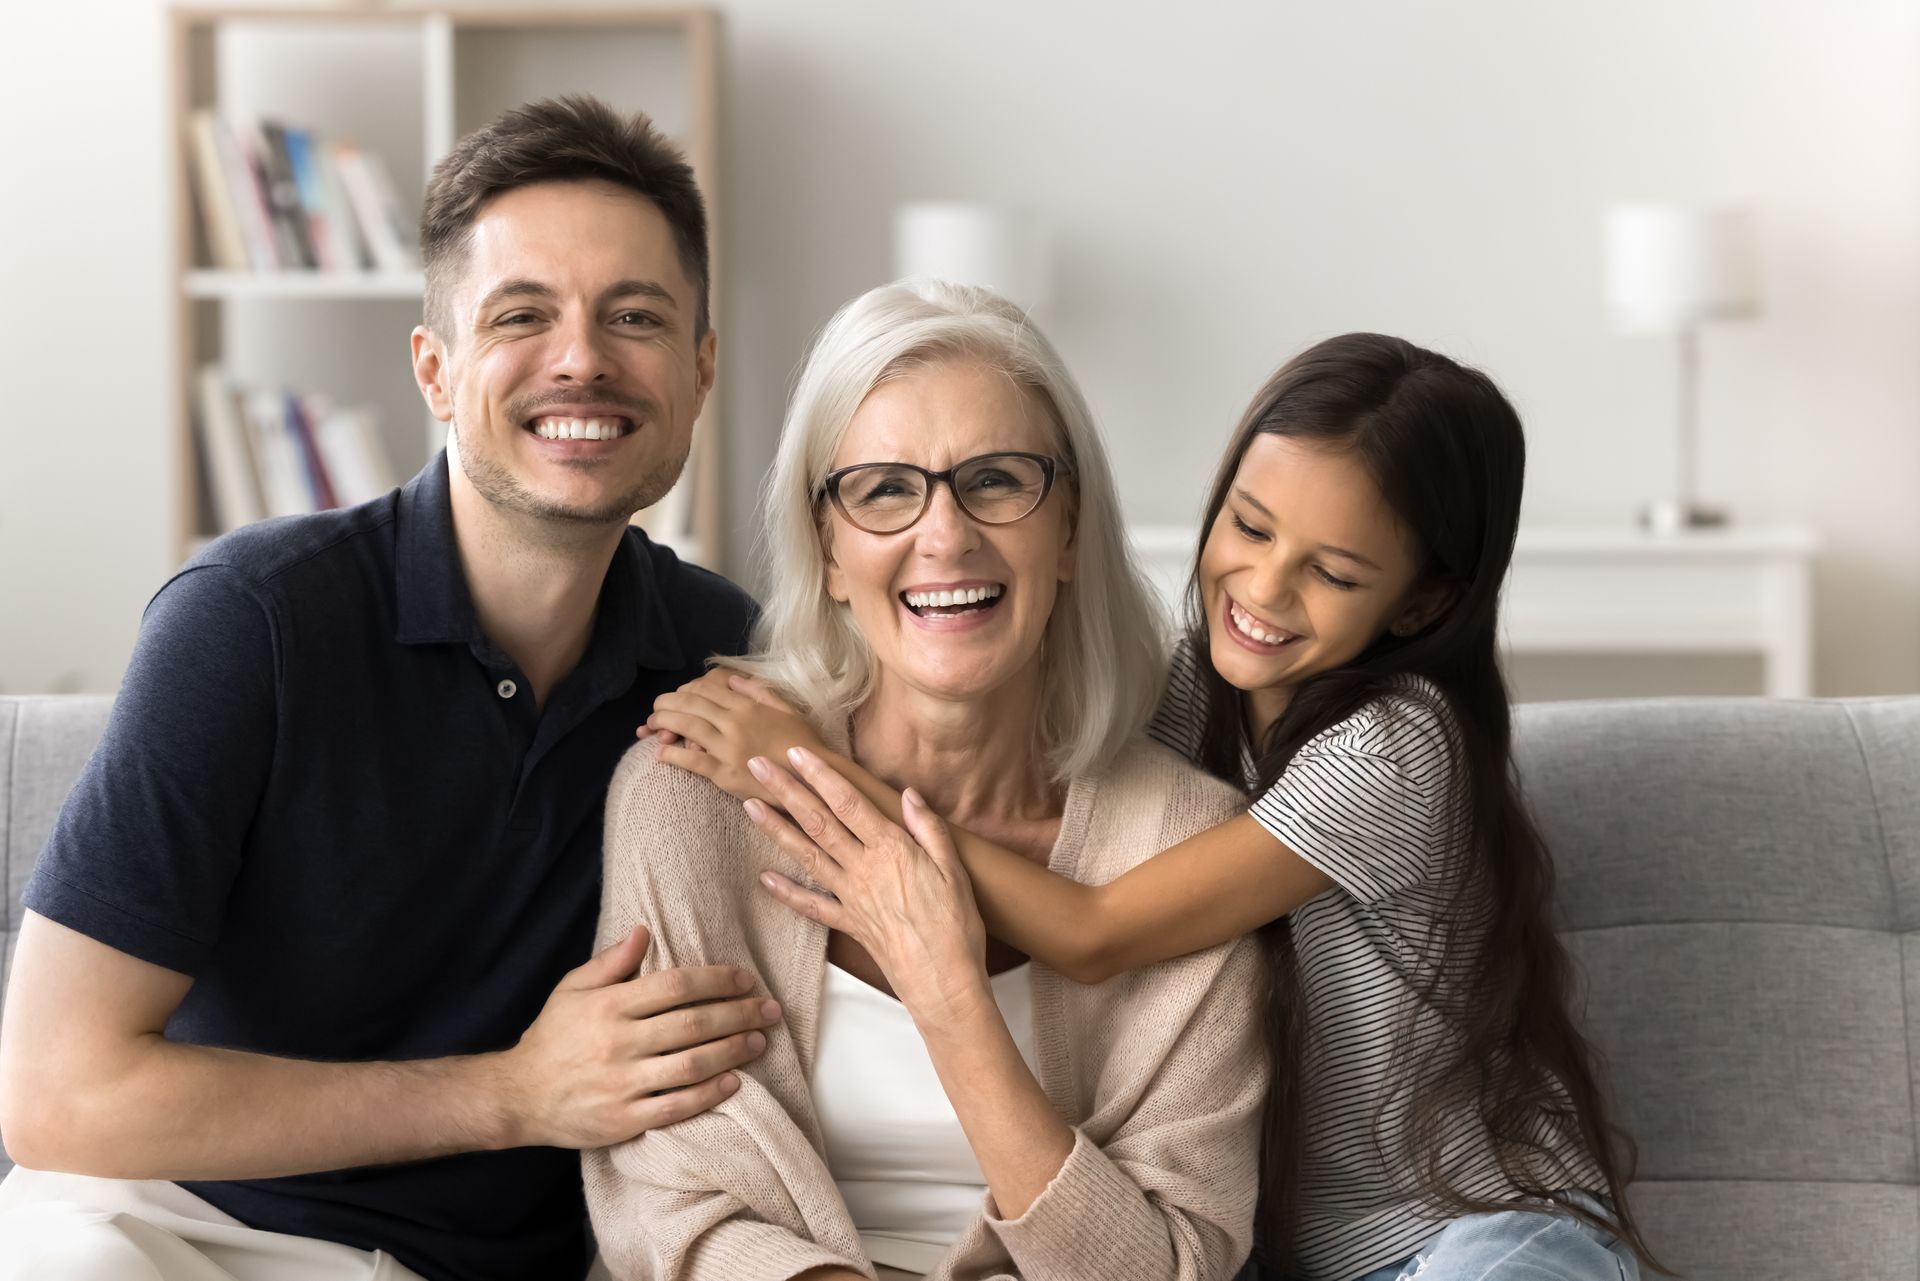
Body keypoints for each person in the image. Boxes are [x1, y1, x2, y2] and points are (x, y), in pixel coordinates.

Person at [644, 334, 1665, 1280]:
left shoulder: (1396, 746)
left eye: (1335, 573)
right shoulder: (1194, 691)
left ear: (1421, 603)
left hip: (1488, 1237)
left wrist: (818, 773)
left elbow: (1094, 932)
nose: (1263, 589)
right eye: (1248, 527)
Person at [0, 96, 781, 1281]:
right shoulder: (251, 619)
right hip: (177, 1228)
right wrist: (514, 1094)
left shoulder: (727, 653)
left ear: (700, 369)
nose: (582, 358)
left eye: (636, 316)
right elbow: (59, 1097)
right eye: (523, 315)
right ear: (434, 368)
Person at [584, 279, 1267, 1281]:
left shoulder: (1191, 852)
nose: (945, 535)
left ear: (1069, 529)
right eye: (885, 489)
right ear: (826, 547)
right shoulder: (688, 795)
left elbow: (1174, 1264)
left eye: (996, 480)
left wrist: (950, 997)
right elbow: (670, 1211)